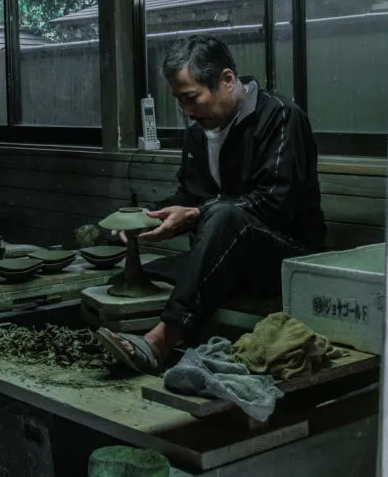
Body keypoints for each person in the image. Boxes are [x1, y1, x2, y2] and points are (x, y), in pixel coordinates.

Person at [95, 34, 327, 374]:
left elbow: (274, 204)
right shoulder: (200, 128)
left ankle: (159, 342)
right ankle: (122, 344)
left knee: (222, 215)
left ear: (227, 80)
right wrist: (147, 216)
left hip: (286, 258)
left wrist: (198, 214)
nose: (187, 112)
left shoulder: (280, 117)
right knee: (149, 273)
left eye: (191, 98)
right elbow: (190, 197)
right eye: (179, 101)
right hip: (225, 256)